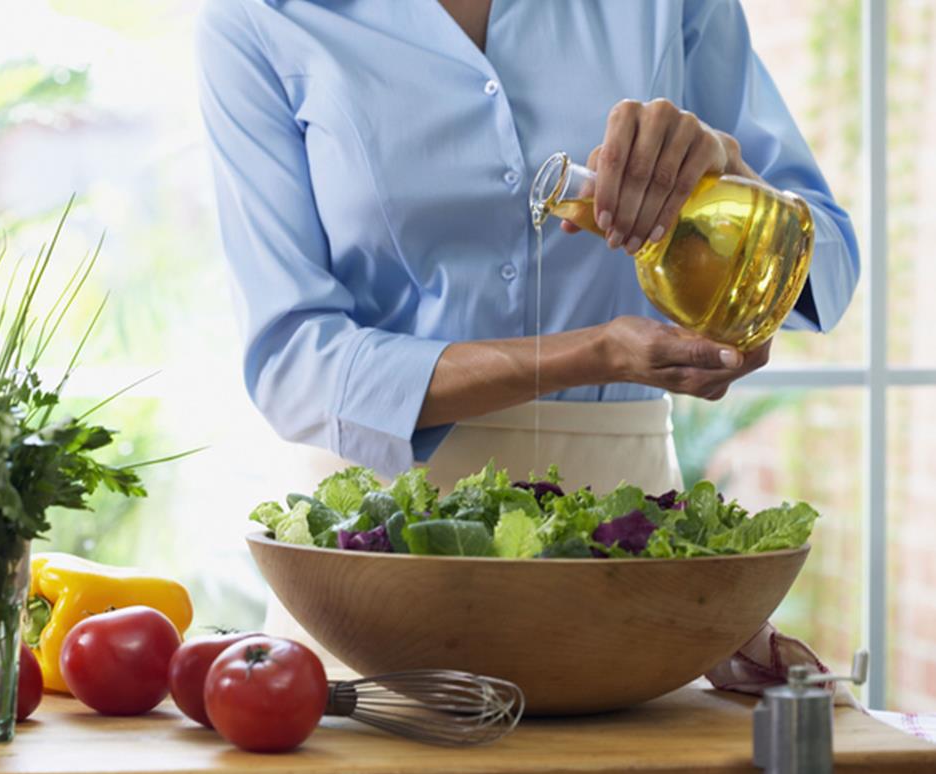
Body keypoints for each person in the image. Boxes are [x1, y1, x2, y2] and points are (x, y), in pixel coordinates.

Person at [196, 0, 857, 500]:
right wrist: (592, 355)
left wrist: (734, 183)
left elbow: (829, 261)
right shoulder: (258, 18)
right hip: (378, 550)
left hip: (627, 531)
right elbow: (292, 363)